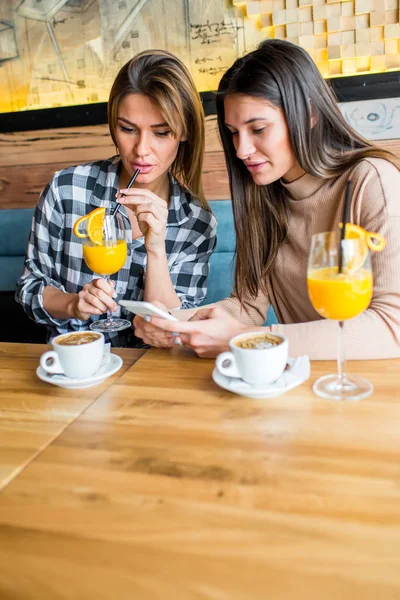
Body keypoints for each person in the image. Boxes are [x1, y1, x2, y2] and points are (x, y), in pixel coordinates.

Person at [133, 39, 400, 360]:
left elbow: (391, 325)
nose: (242, 150)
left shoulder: (372, 181)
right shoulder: (265, 196)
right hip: (303, 383)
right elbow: (247, 305)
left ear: (309, 113)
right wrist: (174, 324)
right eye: (233, 132)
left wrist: (249, 339)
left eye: (258, 128)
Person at [16, 49, 217, 347]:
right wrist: (73, 304)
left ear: (184, 131)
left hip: (150, 374)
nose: (141, 150)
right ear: (113, 124)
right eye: (128, 129)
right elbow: (30, 288)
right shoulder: (67, 190)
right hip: (75, 366)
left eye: (161, 133)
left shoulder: (196, 223)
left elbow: (174, 331)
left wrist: (156, 249)